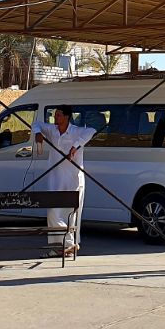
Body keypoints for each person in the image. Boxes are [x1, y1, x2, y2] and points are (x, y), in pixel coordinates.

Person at [32, 105, 97, 257]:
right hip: (55, 179)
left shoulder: (76, 131)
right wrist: (37, 133)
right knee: (53, 213)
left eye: (59, 115)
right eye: (55, 115)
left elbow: (91, 131)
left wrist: (75, 147)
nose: (56, 118)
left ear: (67, 117)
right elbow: (36, 124)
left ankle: (64, 247)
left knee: (71, 214)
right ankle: (66, 244)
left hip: (73, 179)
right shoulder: (52, 130)